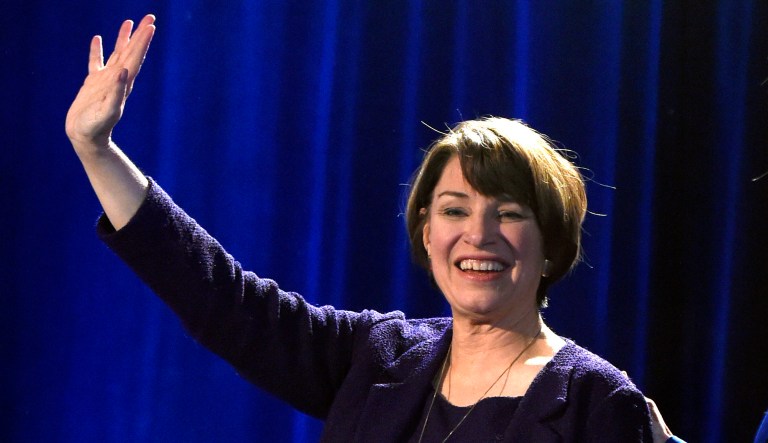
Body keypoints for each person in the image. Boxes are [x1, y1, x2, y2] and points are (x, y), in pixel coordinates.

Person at [66, 14, 681, 442]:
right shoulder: (378, 357)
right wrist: (97, 150)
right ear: (425, 232)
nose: (479, 234)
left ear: (551, 244)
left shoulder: (597, 404)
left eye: (511, 213)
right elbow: (223, 299)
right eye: (454, 209)